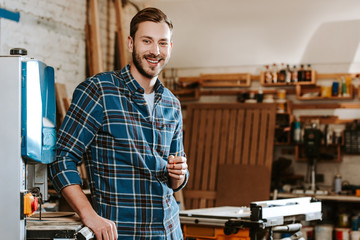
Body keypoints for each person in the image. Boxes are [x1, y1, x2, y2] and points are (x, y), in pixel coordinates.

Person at [49, 7, 188, 240]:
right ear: (131, 43)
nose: (155, 51)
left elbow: (175, 181)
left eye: (163, 43)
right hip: (121, 233)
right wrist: (89, 216)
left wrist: (180, 174)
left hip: (169, 232)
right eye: (147, 41)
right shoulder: (99, 91)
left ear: (170, 48)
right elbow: (61, 159)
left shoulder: (171, 104)